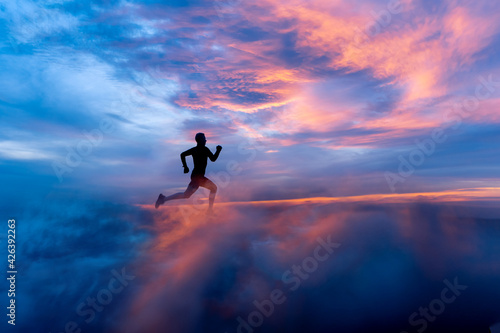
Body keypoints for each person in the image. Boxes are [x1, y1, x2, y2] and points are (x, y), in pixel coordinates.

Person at [155, 133, 222, 211]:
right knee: (213, 188)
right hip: (198, 177)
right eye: (204, 138)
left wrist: (185, 167)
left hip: (196, 176)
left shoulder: (196, 150)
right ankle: (210, 210)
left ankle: (163, 199)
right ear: (200, 140)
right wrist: (218, 150)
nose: (205, 140)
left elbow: (183, 155)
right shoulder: (204, 149)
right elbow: (213, 159)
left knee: (186, 195)